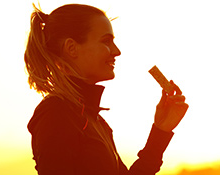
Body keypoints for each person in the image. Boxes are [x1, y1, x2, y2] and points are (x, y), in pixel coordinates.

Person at [24, 3, 189, 175]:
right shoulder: (55, 113)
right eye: (106, 41)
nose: (116, 51)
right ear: (71, 48)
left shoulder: (94, 120)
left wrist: (161, 130)